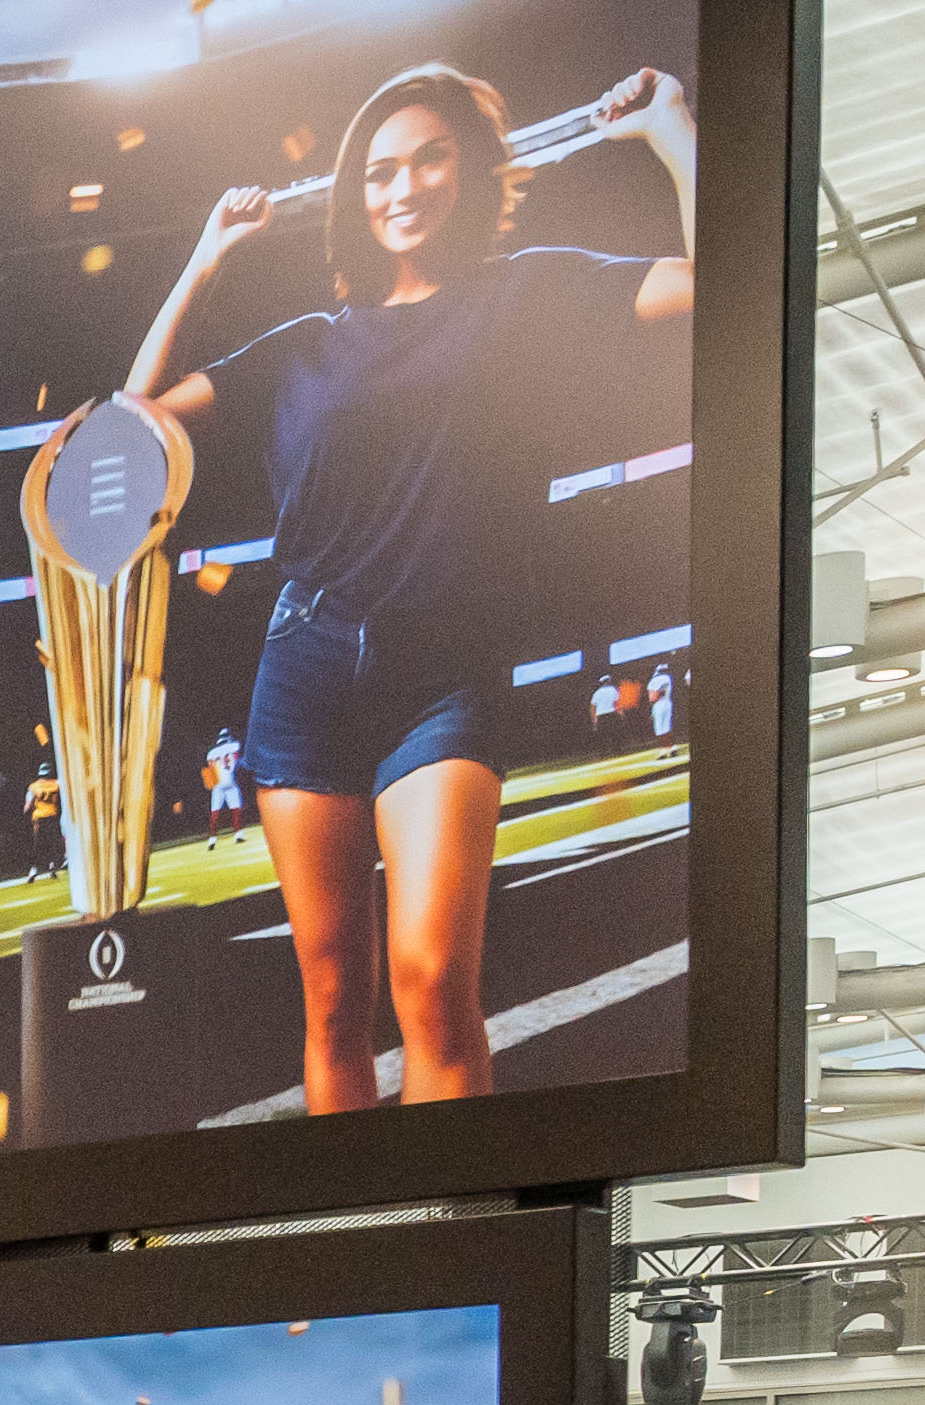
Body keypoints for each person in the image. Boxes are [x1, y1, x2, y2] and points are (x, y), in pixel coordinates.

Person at [115, 65, 698, 1114]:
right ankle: (352, 1246)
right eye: (379, 168)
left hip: (445, 676)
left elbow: (720, 282)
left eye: (428, 157)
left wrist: (669, 131)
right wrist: (204, 257)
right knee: (332, 1003)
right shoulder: (302, 348)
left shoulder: (529, 290)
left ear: (470, 173)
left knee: (431, 984)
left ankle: (451, 1223)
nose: (403, 184)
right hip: (301, 672)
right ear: (353, 195)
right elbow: (128, 423)